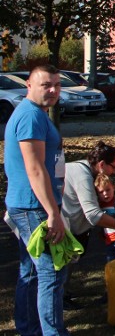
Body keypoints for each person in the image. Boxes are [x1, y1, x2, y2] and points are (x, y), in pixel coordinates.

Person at [3, 64, 70, 335]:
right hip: (34, 206)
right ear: (29, 85)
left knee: (30, 271)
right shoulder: (30, 116)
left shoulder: (37, 114)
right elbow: (35, 168)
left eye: (57, 85)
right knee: (52, 271)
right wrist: (53, 213)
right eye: (46, 85)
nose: (53, 90)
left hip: (31, 204)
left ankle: (29, 328)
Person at [62, 141, 115, 252]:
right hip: (64, 235)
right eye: (113, 167)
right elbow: (93, 215)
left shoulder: (77, 166)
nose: (114, 172)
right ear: (101, 164)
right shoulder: (83, 177)